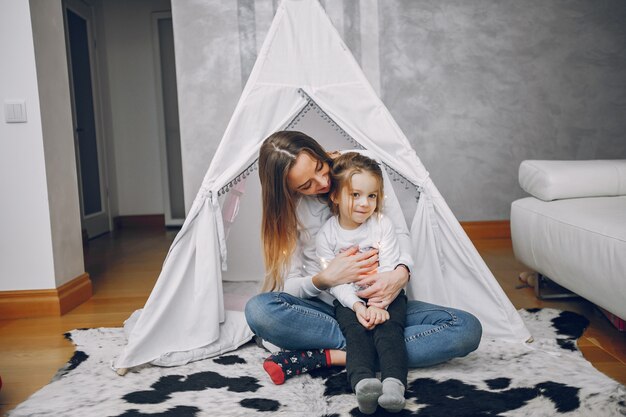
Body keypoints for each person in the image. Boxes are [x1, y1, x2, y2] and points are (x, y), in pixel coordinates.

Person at [244, 130, 481, 388]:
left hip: (382, 305)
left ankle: (330, 356)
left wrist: (401, 273)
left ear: (319, 151)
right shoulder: (289, 210)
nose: (322, 183)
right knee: (259, 310)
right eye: (305, 186)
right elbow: (288, 286)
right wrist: (324, 279)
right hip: (330, 310)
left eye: (320, 168)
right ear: (290, 190)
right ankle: (381, 354)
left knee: (465, 328)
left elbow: (398, 231)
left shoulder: (362, 167)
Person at [316, 152, 407, 414]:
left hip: (387, 295)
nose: (364, 203)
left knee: (389, 332)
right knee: (356, 336)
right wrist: (357, 306)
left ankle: (394, 385)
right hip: (349, 300)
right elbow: (334, 281)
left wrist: (380, 303)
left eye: (372, 196)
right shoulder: (327, 235)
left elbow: (389, 266)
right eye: (355, 195)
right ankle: (363, 384)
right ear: (335, 195)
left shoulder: (382, 225)